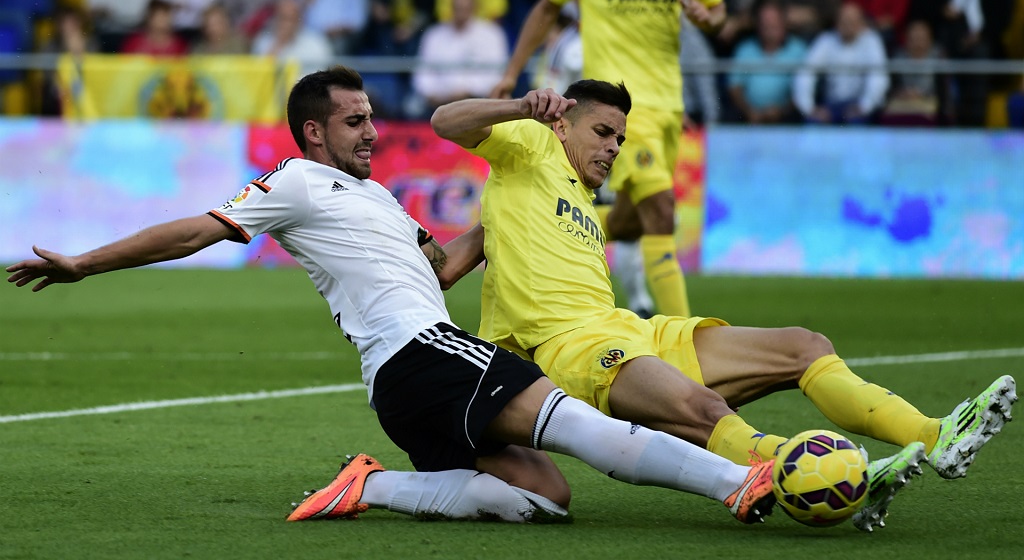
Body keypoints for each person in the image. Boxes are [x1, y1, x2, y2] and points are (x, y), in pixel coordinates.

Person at [5, 66, 778, 526]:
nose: (372, 130)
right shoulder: (299, 181)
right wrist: (86, 262)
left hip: (402, 384)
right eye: (355, 121)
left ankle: (373, 484)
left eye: (373, 117)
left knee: (541, 498)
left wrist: (508, 223)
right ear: (313, 134)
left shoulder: (387, 205)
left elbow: (440, 274)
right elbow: (196, 231)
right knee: (576, 423)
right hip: (419, 352)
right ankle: (738, 482)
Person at [430, 83, 1017, 532]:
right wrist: (520, 107)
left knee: (802, 346)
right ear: (562, 122)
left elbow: (472, 251)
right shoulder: (527, 145)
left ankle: (934, 435)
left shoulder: (577, 197)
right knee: (700, 408)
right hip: (568, 345)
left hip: (628, 329)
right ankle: (815, 478)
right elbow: (444, 122)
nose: (614, 149)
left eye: (620, 140)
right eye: (605, 133)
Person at [492, 0, 728, 320]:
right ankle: (687, 340)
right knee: (661, 210)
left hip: (670, 106)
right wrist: (511, 74)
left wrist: (708, 19)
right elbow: (547, 8)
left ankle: (542, 222)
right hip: (619, 109)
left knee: (631, 223)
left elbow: (718, 13)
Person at [409, 0, 508, 117]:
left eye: (465, 8)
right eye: (457, 7)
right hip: (437, 105)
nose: (461, 12)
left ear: (474, 7)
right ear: (451, 8)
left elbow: (497, 74)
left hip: (479, 103)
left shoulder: (492, 34)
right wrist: (436, 95)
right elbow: (422, 75)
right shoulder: (434, 35)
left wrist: (467, 91)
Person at [792, 2, 890, 124]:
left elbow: (878, 78)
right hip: (830, 105)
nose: (847, 25)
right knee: (813, 123)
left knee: (857, 127)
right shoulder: (826, 40)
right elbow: (806, 72)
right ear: (836, 23)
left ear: (861, 23)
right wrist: (809, 108)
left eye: (852, 21)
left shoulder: (871, 41)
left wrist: (864, 107)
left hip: (859, 104)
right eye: (844, 21)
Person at [727, 3, 807, 124]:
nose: (769, 28)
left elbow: (803, 89)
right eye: (765, 24)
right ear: (758, 26)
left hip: (787, 118)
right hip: (749, 117)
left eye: (773, 24)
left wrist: (782, 111)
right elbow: (735, 87)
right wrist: (750, 112)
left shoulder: (798, 50)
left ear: (784, 24)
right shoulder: (745, 49)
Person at [251, 0, 333, 77]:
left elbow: (322, 76)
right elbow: (258, 77)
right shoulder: (263, 41)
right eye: (282, 18)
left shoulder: (316, 42)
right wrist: (278, 45)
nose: (286, 24)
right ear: (275, 19)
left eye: (291, 19)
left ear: (300, 20)